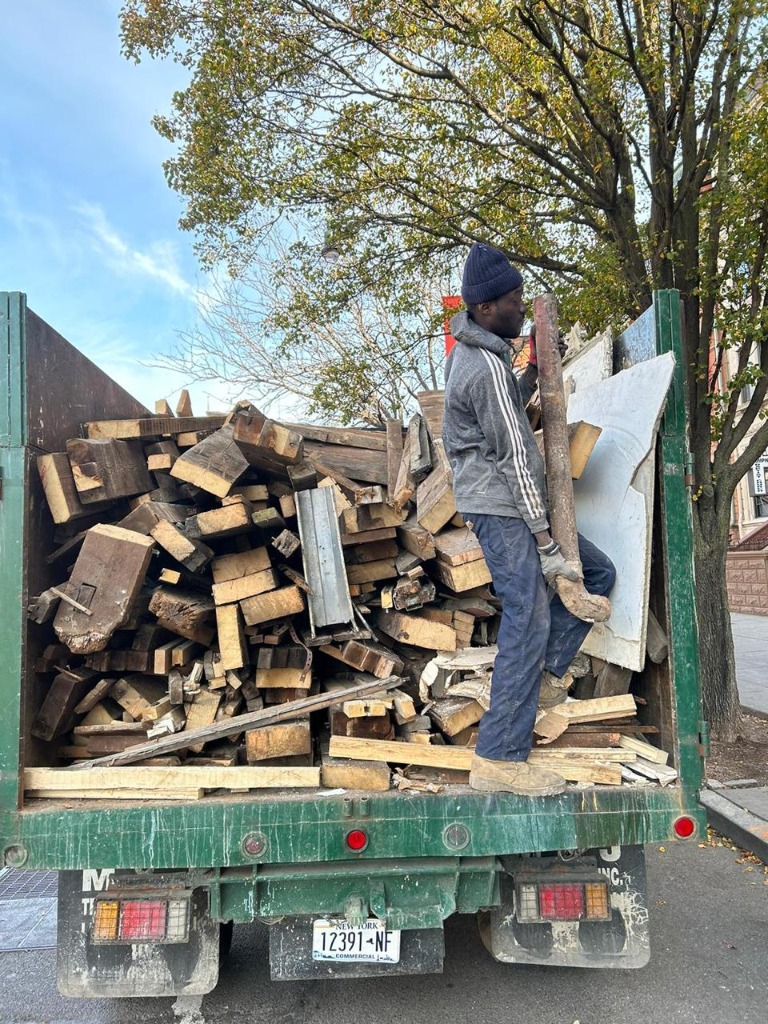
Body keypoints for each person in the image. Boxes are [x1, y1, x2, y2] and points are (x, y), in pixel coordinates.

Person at [442, 242, 616, 797]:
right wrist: (545, 543)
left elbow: (507, 408)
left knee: (599, 573)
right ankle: (497, 758)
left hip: (507, 500)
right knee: (529, 612)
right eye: (515, 299)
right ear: (488, 307)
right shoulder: (482, 365)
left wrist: (537, 368)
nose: (521, 307)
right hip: (501, 505)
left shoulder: (484, 357)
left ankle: (539, 679)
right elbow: (516, 457)